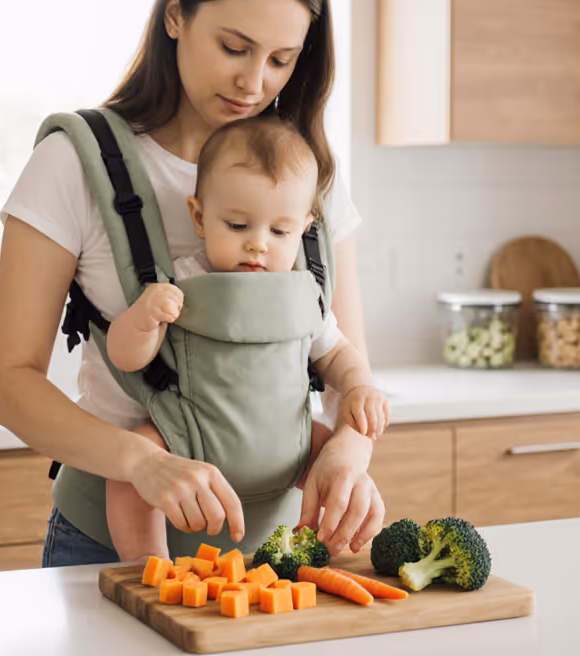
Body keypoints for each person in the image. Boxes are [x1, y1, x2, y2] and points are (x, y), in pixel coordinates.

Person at [0, 0, 384, 567]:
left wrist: (346, 451)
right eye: (234, 47)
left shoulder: (311, 179)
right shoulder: (76, 162)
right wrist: (141, 462)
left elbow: (347, 365)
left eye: (282, 59)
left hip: (282, 551)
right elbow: (7, 382)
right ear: (175, 15)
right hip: (108, 546)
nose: (254, 83)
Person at [104, 116, 390, 562]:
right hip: (189, 438)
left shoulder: (302, 292)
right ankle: (147, 563)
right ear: (199, 217)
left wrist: (358, 387)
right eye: (238, 226)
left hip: (288, 443)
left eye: (279, 232)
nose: (258, 244)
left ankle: (321, 548)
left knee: (337, 473)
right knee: (130, 468)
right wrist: (144, 318)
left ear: (304, 228)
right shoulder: (182, 280)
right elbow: (125, 357)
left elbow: (334, 351)